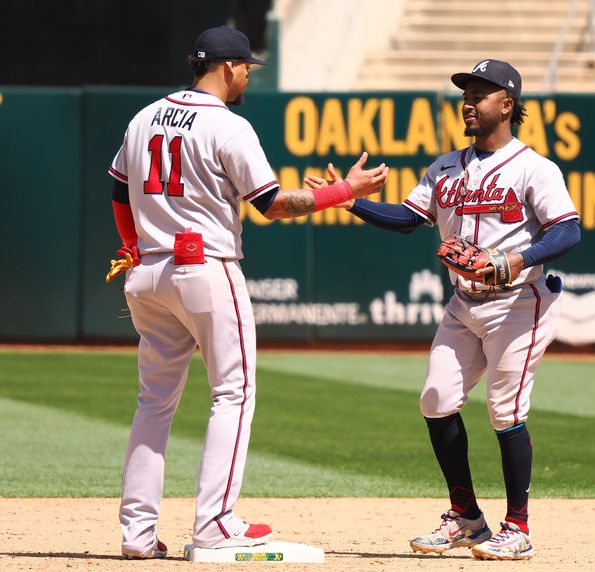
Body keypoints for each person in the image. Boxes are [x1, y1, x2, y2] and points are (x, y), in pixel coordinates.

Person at [106, 25, 388, 559]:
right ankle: (214, 523)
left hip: (147, 275)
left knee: (153, 403)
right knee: (232, 393)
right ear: (230, 67)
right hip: (203, 269)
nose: (246, 77)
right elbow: (274, 204)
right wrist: (346, 191)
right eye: (246, 69)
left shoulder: (143, 116)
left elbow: (119, 191)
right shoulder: (227, 127)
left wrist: (131, 245)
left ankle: (136, 534)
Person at [307, 59, 580, 561]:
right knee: (436, 399)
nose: (468, 103)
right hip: (463, 303)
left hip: (519, 302)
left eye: (479, 93)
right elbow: (408, 218)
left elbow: (567, 230)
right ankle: (467, 519)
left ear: (507, 104)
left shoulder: (534, 168)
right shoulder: (445, 167)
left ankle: (516, 528)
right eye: (466, 94)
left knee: (505, 412)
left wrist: (514, 257)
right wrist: (348, 201)